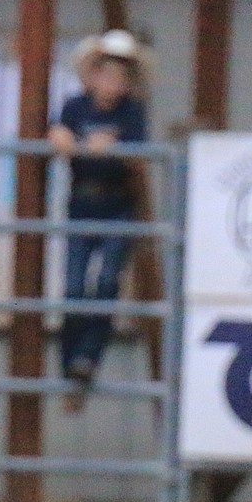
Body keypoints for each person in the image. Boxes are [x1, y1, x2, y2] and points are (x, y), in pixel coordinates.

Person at [48, 29, 150, 392]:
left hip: (117, 203)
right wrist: (66, 141)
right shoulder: (75, 106)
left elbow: (140, 155)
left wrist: (115, 148)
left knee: (107, 282)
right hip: (82, 201)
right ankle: (70, 363)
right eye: (105, 71)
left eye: (120, 74)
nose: (111, 80)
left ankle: (87, 359)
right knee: (74, 288)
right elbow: (58, 135)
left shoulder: (133, 112)